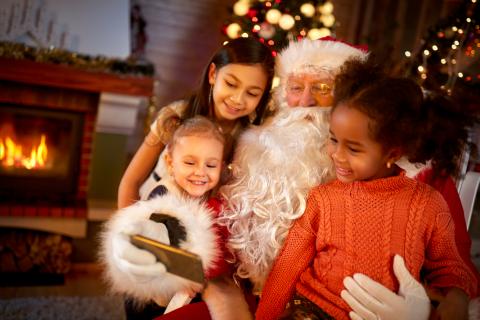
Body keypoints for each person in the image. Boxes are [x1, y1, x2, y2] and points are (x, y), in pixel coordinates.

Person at [254, 56, 478, 320]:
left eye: (353, 148)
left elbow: (451, 264)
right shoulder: (324, 199)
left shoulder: (427, 203)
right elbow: (288, 266)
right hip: (312, 310)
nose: (337, 155)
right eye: (334, 140)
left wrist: (457, 298)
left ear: (392, 153)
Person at [100, 116, 238, 317]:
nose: (200, 172)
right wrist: (188, 275)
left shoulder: (204, 193)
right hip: (152, 296)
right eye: (190, 162)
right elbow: (151, 248)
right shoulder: (164, 198)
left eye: (211, 166)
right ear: (170, 163)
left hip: (179, 292)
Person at [117, 36, 275, 209]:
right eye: (230, 84)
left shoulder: (252, 137)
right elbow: (131, 180)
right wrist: (126, 226)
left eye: (252, 93)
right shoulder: (175, 116)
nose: (237, 99)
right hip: (153, 208)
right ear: (213, 74)